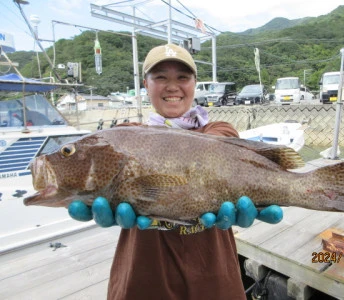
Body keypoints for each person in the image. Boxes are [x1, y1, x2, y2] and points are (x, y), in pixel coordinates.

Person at [68, 43, 283, 300]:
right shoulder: (126, 134)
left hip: (213, 278)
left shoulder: (219, 131)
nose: (172, 86)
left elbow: (206, 148)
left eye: (182, 77)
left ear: (194, 84)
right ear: (146, 85)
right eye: (160, 78)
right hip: (143, 278)